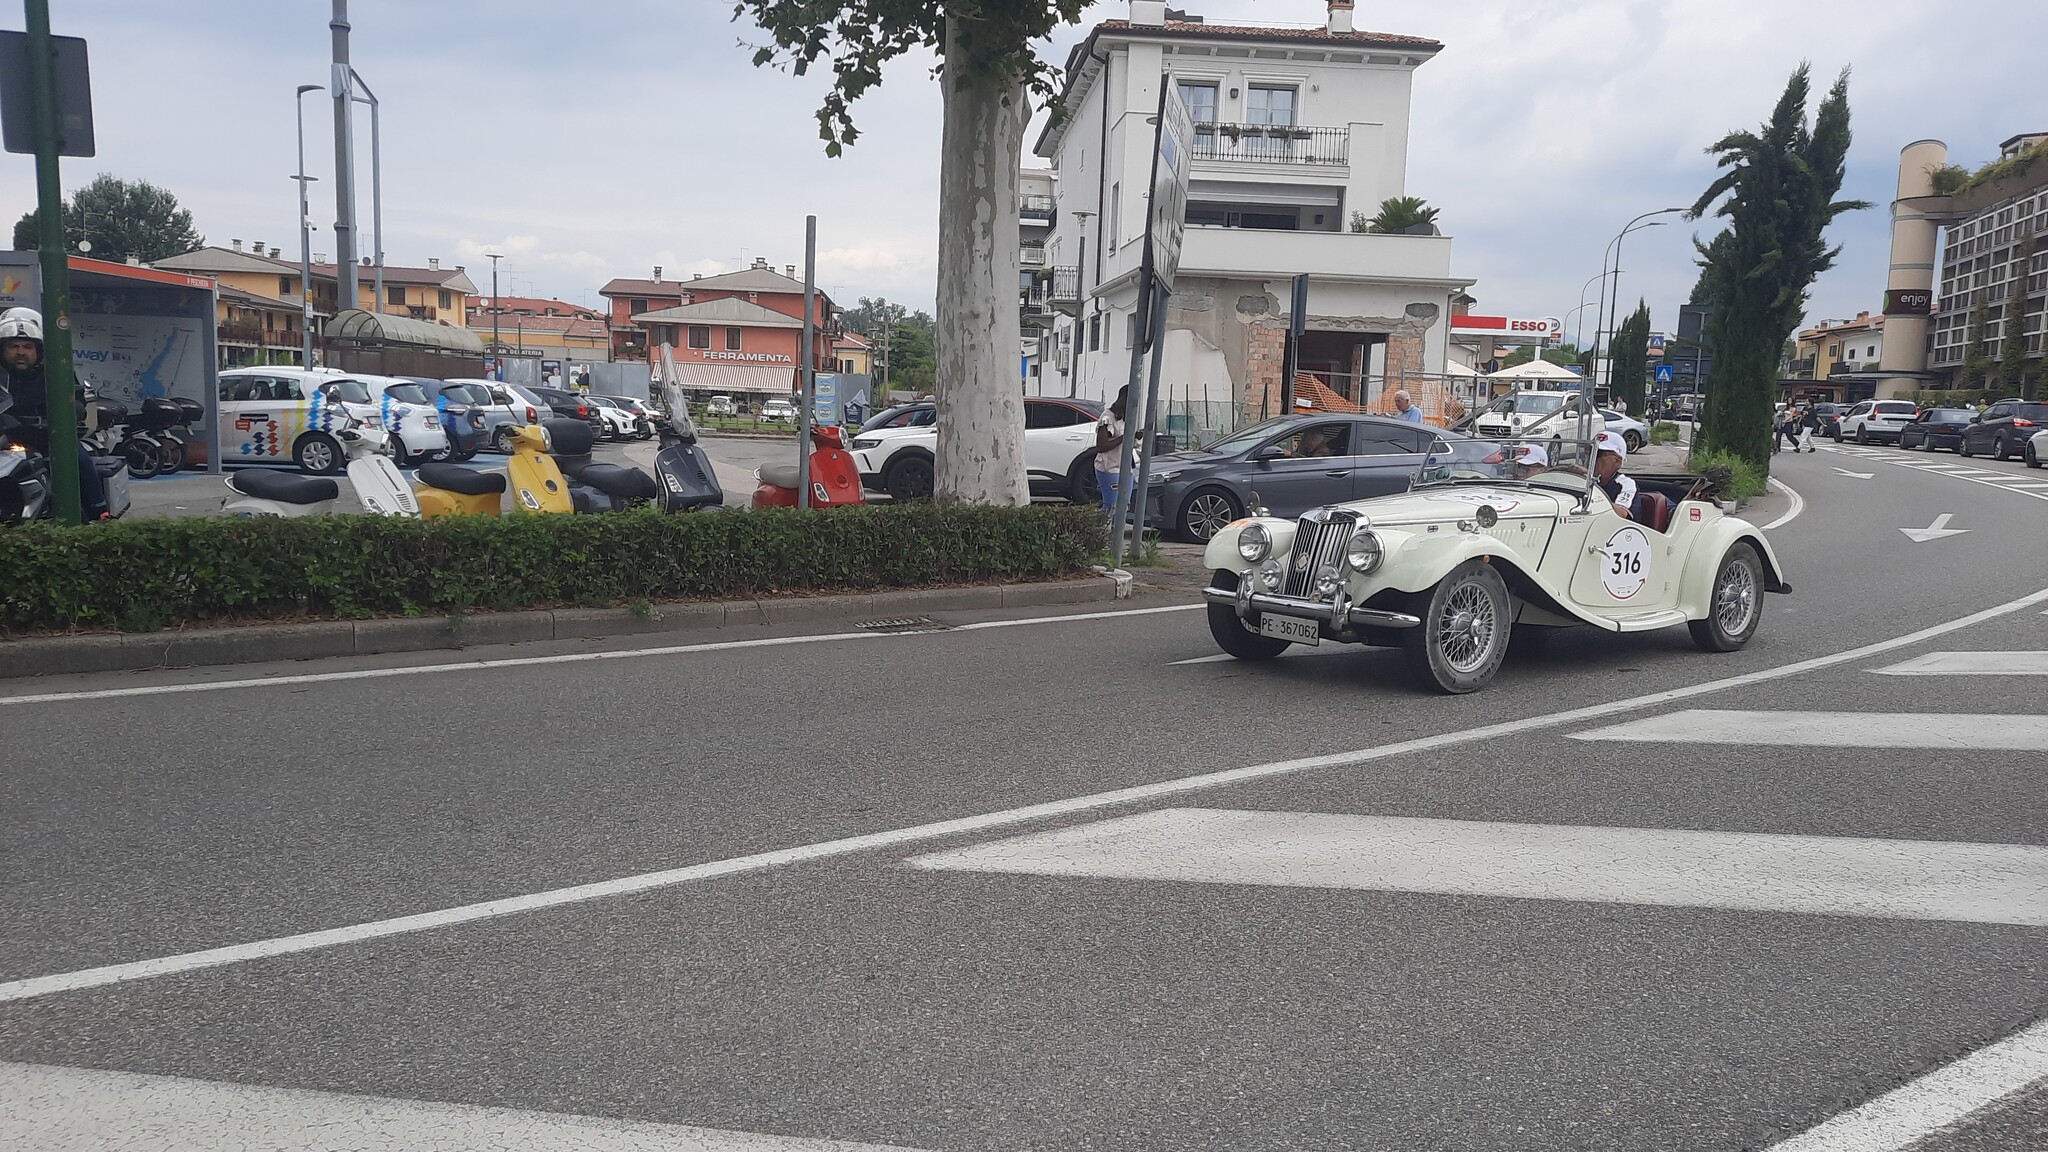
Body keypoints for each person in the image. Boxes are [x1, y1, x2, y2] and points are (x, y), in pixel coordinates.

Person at [0, 307, 108, 519]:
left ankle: (100, 513)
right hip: (5, 437)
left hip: (47, 437)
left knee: (78, 458)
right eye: (13, 346)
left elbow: (75, 400)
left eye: (27, 346)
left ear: (38, 350)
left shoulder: (55, 371)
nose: (21, 352)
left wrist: (72, 411)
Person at [1094, 386, 1128, 511]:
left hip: (1125, 467)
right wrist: (1124, 438)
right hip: (1109, 468)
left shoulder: (1125, 418)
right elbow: (1101, 446)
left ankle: (1116, 528)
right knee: (1112, 505)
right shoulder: (1107, 417)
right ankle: (1102, 529)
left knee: (1124, 506)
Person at [1594, 430, 1635, 518]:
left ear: (1616, 461)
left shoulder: (1626, 484)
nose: (1591, 458)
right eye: (1589, 452)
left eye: (1597, 454)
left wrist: (1592, 487)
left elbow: (1622, 514)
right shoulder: (1583, 481)